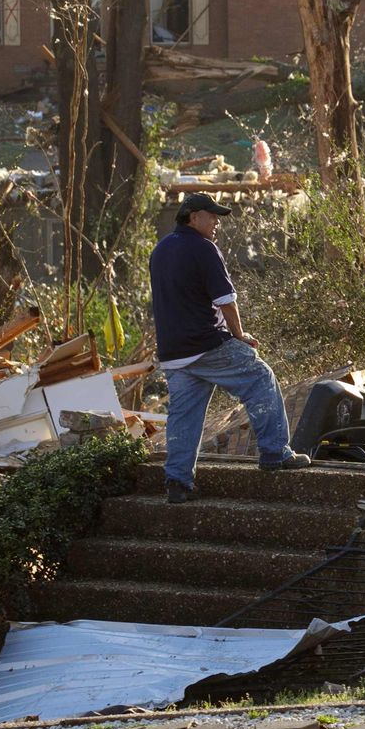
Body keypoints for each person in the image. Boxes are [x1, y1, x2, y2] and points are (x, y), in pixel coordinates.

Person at [150, 192, 309, 503]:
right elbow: (225, 300)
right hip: (206, 343)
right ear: (193, 217)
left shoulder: (161, 249)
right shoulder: (203, 248)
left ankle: (178, 483)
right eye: (212, 216)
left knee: (184, 415)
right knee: (260, 377)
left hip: (173, 352)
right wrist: (239, 335)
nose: (217, 223)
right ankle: (275, 452)